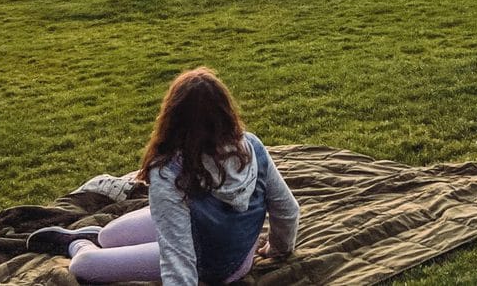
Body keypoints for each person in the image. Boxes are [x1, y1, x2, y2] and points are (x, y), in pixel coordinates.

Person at [27, 67, 300, 285]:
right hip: (227, 251)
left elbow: (179, 260)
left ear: (171, 118)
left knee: (84, 265)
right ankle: (99, 238)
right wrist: (280, 246)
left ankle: (79, 243)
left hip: (211, 266)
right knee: (110, 235)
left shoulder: (169, 170)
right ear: (226, 112)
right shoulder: (251, 146)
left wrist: (276, 249)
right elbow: (287, 211)